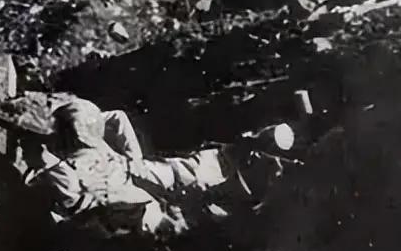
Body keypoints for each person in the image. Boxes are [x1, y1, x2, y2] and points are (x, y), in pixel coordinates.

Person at [23, 98, 294, 241]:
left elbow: (116, 118)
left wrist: (134, 159)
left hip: (138, 186)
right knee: (159, 216)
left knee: (181, 182)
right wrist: (134, 160)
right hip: (130, 194)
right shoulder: (75, 156)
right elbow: (116, 118)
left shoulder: (71, 155)